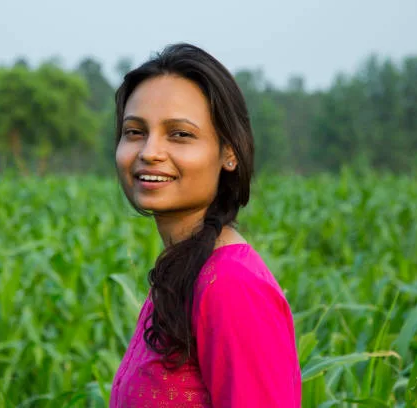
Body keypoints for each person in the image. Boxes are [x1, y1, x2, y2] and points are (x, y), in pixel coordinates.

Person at [110, 43, 301, 407]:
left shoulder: (231, 285)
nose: (150, 151)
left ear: (229, 152)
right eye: (134, 131)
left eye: (179, 134)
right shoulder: (182, 272)